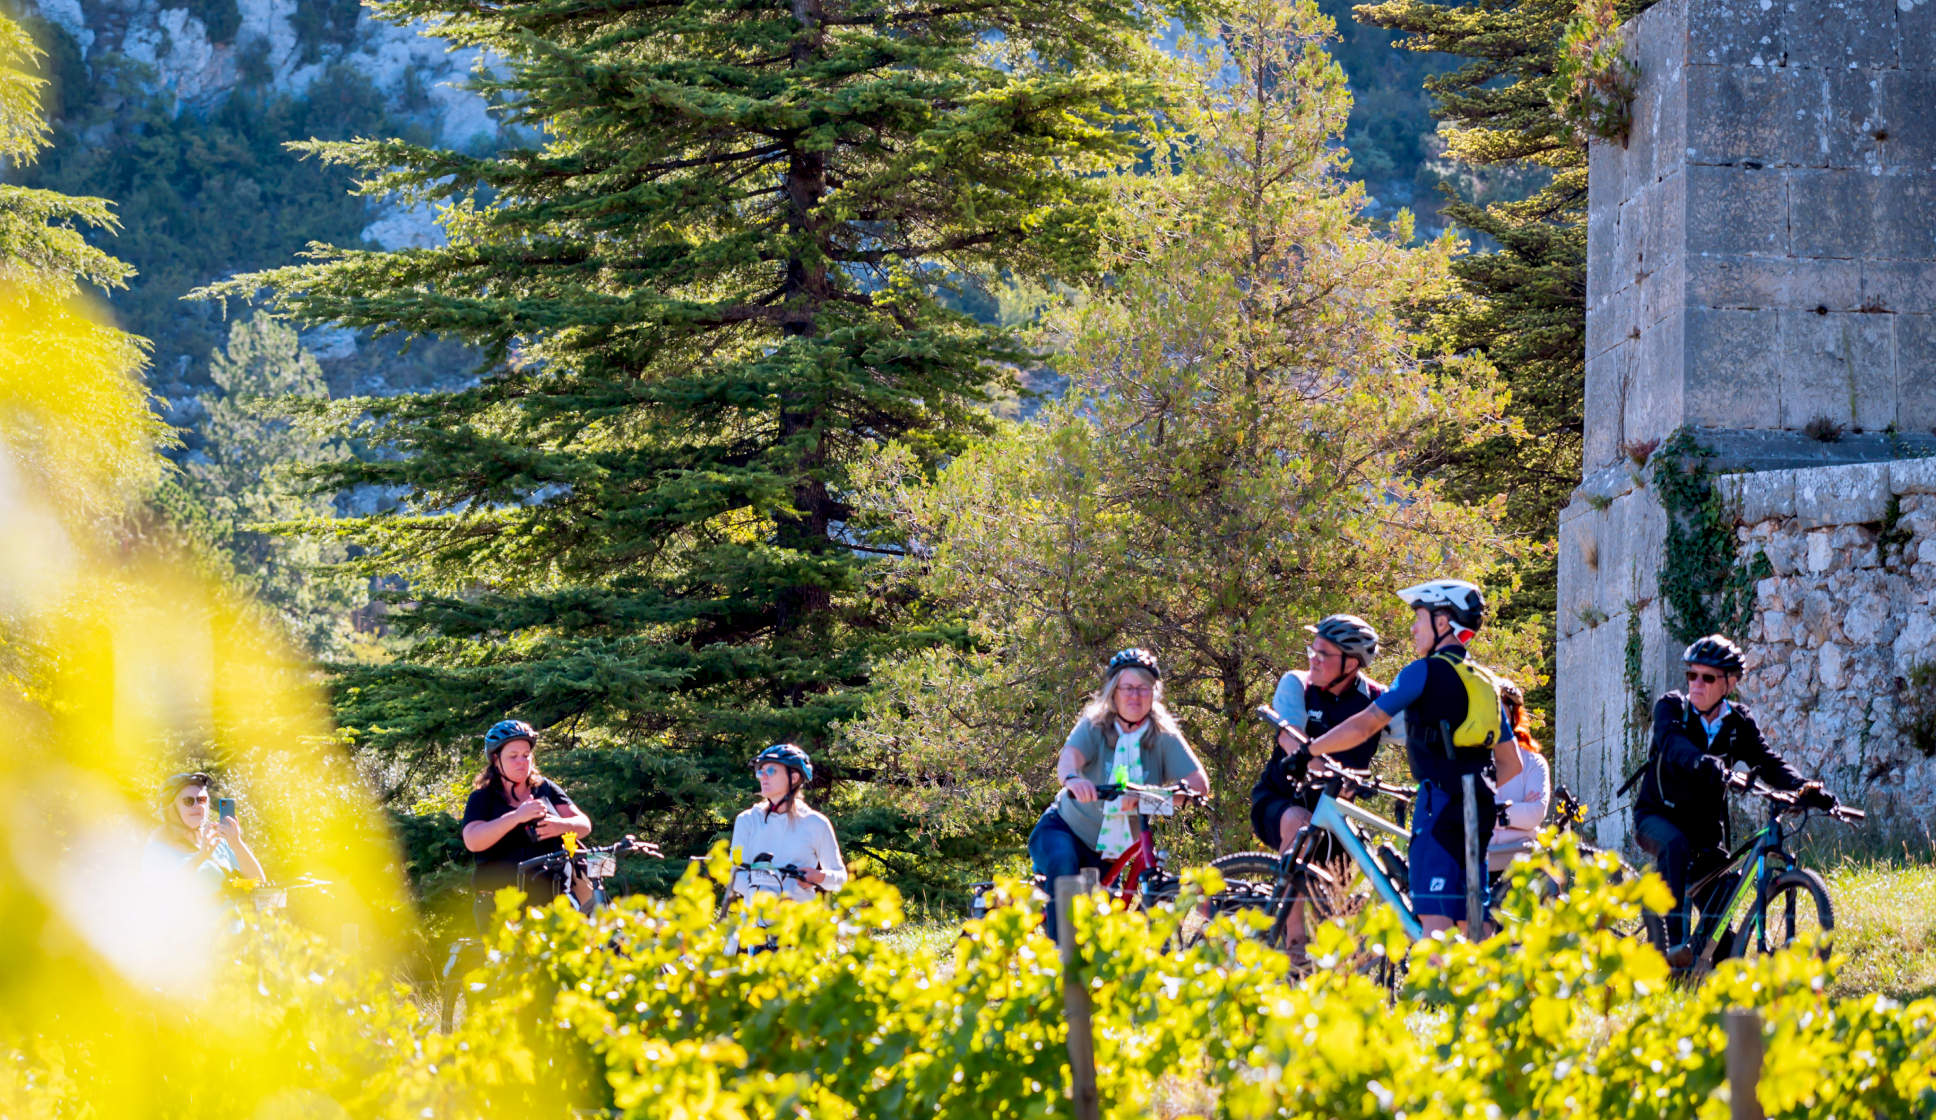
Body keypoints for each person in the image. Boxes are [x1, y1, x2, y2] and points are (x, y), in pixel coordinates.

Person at [1301, 579, 1510, 937]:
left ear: (1442, 623)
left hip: (1439, 805)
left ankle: (1433, 992)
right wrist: (1469, 785)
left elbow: (1366, 724)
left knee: (1436, 926)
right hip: (1480, 803)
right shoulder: (1487, 682)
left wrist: (1310, 750)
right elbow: (1512, 764)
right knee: (1474, 921)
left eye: (1419, 617)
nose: (1413, 627)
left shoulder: (1422, 672)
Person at [1623, 635, 1836, 968]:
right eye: (1692, 675)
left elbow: (1768, 762)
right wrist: (1706, 763)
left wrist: (1808, 789)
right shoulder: (1672, 708)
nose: (1697, 684)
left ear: (1729, 683)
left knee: (1721, 944)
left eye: (1707, 678)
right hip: (1657, 818)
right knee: (1674, 845)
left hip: (1706, 834)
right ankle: (1673, 949)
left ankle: (1702, 981)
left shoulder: (1738, 722)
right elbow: (1672, 745)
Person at [1029, 647, 1209, 943]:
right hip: (1065, 830)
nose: (1135, 696)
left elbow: (1198, 785)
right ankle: (1064, 970)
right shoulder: (1095, 725)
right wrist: (1074, 781)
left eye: (1143, 688)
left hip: (1112, 849)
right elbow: (1068, 761)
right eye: (1127, 688)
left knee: (1101, 918)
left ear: (1154, 694)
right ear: (1114, 692)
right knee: (1064, 869)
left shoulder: (1163, 734)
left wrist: (1148, 798)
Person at [1249, 614, 1398, 949]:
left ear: (1352, 663)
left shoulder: (1377, 699)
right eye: (1312, 651)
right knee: (1297, 822)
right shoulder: (1296, 684)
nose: (1313, 659)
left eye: (1323, 654)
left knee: (1341, 906)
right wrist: (1329, 771)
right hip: (1280, 800)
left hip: (1335, 816)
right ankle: (1294, 943)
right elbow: (1292, 742)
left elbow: (1419, 736)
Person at [461, 719, 593, 931]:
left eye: (526, 755)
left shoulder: (545, 788)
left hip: (555, 903)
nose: (522, 762)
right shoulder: (482, 798)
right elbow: (473, 840)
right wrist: (516, 817)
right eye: (513, 757)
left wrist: (560, 825)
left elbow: (583, 824)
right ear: (496, 760)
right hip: (501, 907)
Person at [727, 744, 847, 906]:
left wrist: (819, 877)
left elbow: (840, 878)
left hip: (799, 924)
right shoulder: (746, 820)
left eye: (771, 771)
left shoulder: (816, 823)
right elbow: (733, 873)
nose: (763, 777)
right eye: (760, 772)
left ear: (794, 778)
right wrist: (769, 900)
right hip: (754, 925)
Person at [145, 771, 267, 887]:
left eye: (202, 800)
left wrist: (237, 843)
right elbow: (160, 894)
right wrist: (201, 857)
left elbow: (259, 882)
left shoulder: (219, 843)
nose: (197, 806)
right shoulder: (158, 851)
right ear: (171, 809)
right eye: (188, 801)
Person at [1485, 681, 1552, 879]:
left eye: (1500, 710)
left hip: (1521, 864)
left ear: (1514, 715)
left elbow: (1535, 813)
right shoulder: (1469, 760)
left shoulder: (1533, 763)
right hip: (1475, 864)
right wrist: (1514, 811)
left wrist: (1487, 813)